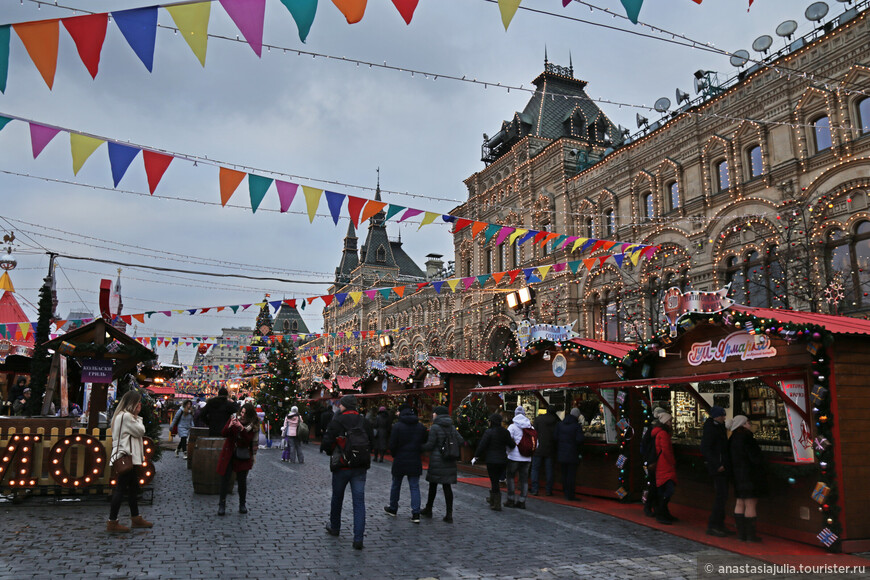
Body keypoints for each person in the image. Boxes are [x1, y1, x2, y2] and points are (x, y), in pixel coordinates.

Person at [321, 394, 374, 550]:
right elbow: (372, 440)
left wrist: (335, 451)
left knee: (337, 497)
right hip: (360, 467)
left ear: (344, 405)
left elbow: (327, 443)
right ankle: (358, 539)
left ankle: (335, 527)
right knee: (359, 502)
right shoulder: (364, 421)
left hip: (342, 466)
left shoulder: (337, 420)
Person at [107, 390, 153, 533]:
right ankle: (112, 521)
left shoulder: (120, 416)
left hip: (127, 457)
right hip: (127, 456)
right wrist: (138, 417)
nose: (140, 405)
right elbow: (140, 431)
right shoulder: (127, 417)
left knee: (133, 489)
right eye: (138, 402)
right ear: (132, 403)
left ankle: (136, 518)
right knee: (121, 489)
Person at [420, 405, 464, 522]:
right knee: (447, 487)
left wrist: (419, 447)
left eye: (434, 413)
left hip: (437, 460)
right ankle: (449, 514)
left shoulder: (435, 427)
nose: (433, 414)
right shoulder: (452, 427)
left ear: (437, 414)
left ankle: (428, 508)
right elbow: (460, 441)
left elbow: (430, 445)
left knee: (433, 486)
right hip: (449, 460)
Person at [384, 405, 427, 522]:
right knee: (414, 487)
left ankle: (393, 508)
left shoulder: (397, 427)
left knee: (396, 485)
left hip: (400, 459)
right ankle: (416, 513)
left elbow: (392, 444)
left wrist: (395, 454)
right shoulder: (420, 427)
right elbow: (423, 443)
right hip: (414, 459)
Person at [728, 415, 766, 542]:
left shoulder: (733, 438)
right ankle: (750, 535)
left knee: (740, 502)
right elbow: (755, 458)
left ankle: (741, 533)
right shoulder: (747, 438)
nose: (750, 425)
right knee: (750, 504)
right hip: (749, 474)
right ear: (743, 424)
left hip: (737, 474)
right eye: (748, 422)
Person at [217, 402, 259, 516]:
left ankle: (242, 504)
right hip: (229, 452)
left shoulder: (253, 424)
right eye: (242, 412)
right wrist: (230, 426)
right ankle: (222, 504)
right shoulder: (233, 418)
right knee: (225, 479)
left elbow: (247, 440)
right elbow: (224, 433)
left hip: (242, 454)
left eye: (245, 413)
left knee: (242, 481)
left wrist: (241, 429)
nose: (242, 415)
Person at [473, 412, 515, 511]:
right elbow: (512, 445)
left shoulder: (489, 432)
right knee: (496, 480)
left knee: (494, 480)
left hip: (491, 460)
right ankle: (493, 499)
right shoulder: (505, 432)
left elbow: (482, 445)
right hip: (502, 459)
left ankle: (496, 502)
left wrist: (476, 456)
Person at [701, 406, 731, 537]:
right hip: (718, 467)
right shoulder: (712, 429)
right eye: (722, 415)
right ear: (716, 416)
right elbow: (706, 448)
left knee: (722, 496)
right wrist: (717, 464)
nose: (724, 417)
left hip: (721, 466)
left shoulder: (718, 427)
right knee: (720, 496)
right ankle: (714, 525)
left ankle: (719, 524)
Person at [505, 405, 535, 509]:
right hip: (527, 458)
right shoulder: (531, 427)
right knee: (524, 479)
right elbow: (536, 443)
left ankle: (511, 499)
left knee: (510, 477)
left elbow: (507, 441)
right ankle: (522, 501)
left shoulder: (512, 427)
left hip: (513, 457)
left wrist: (508, 453)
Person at [554, 407, 585, 501]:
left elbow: (555, 437)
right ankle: (570, 494)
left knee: (564, 473)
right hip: (572, 453)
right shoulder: (577, 426)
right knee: (571, 475)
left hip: (562, 453)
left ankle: (565, 492)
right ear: (577, 416)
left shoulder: (560, 424)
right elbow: (580, 439)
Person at [641, 407, 667, 518]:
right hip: (653, 460)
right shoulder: (656, 430)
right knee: (654, 485)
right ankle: (650, 506)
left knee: (655, 485)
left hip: (652, 460)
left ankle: (654, 506)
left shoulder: (653, 429)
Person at [653, 413, 677, 525]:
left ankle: (663, 512)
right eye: (669, 421)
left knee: (664, 489)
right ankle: (661, 512)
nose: (671, 423)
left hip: (662, 465)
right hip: (665, 465)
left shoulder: (660, 433)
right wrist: (672, 462)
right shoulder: (663, 434)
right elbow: (666, 450)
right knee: (668, 489)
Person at [530, 405, 559, 496]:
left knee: (535, 469)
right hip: (550, 448)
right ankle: (548, 490)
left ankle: (535, 489)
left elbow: (534, 433)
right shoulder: (556, 421)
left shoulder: (539, 419)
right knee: (549, 470)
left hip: (538, 448)